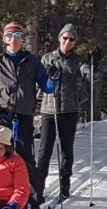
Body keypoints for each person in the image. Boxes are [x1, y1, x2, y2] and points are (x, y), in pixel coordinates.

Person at [0, 21, 57, 209]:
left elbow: (48, 87)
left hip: (23, 115)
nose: (13, 41)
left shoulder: (33, 62)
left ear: (22, 40)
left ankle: (32, 198)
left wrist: (54, 78)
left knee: (25, 158)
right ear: (4, 39)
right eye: (10, 36)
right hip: (2, 116)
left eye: (17, 37)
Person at [37, 24, 97, 200]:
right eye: (65, 38)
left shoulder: (78, 61)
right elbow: (37, 82)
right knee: (44, 150)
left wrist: (95, 65)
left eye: (71, 39)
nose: (67, 42)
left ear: (75, 42)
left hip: (69, 109)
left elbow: (92, 78)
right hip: (49, 110)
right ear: (59, 38)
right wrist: (47, 75)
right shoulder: (47, 58)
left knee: (66, 150)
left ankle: (65, 186)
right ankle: (38, 188)